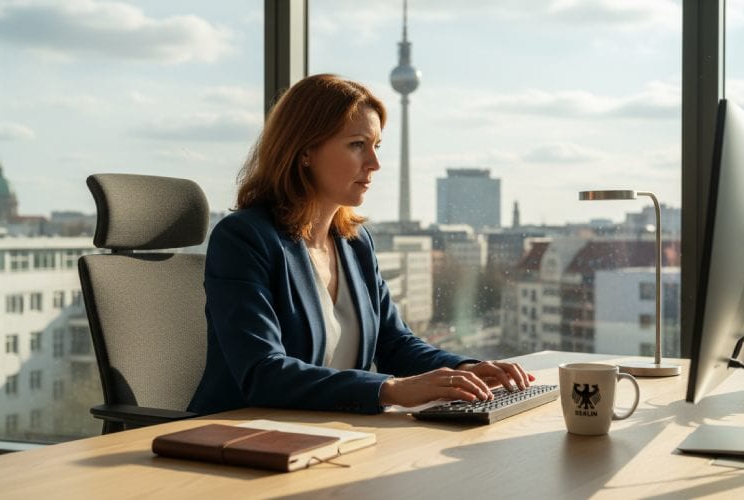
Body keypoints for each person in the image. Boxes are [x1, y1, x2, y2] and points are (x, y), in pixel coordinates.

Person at [188, 74, 534, 415]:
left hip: (331, 432)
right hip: (239, 435)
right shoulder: (244, 238)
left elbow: (394, 343)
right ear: (305, 150)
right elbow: (262, 373)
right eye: (357, 145)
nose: (375, 163)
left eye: (376, 146)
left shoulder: (355, 243)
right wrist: (388, 390)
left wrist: (465, 370)